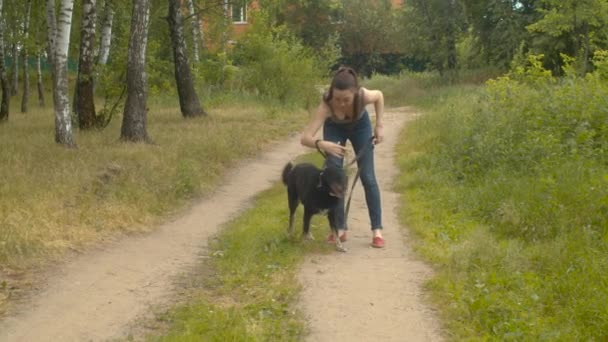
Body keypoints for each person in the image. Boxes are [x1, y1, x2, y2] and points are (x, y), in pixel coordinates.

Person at [300, 66, 385, 248]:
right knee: (333, 177)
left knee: (368, 177)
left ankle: (377, 231)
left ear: (355, 94)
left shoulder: (363, 95)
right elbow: (305, 138)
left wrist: (379, 125)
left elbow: (379, 96)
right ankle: (339, 229)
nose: (341, 104)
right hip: (334, 128)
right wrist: (321, 144)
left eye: (346, 99)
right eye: (337, 99)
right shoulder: (326, 104)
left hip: (360, 126)